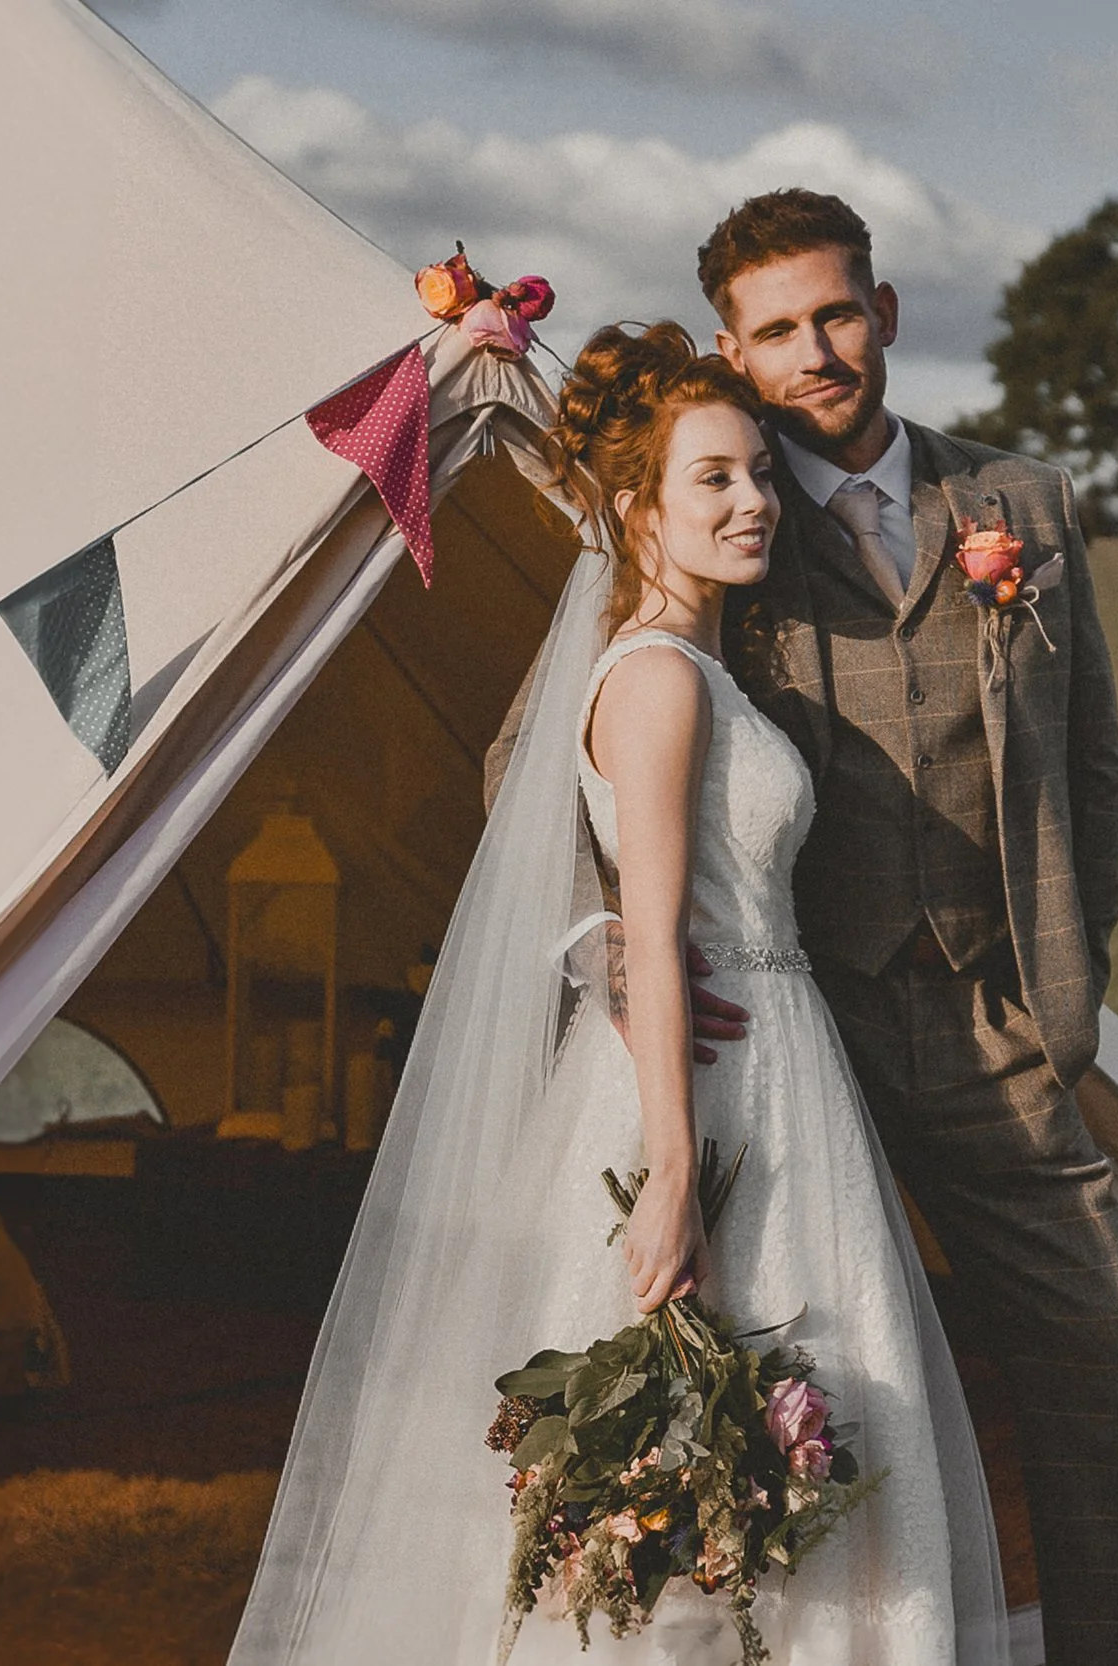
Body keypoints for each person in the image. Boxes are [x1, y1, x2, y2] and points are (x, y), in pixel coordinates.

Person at [229, 323, 1011, 1665]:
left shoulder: (705, 667)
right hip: (704, 1102)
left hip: (775, 1080)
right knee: (687, 1453)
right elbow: (650, 933)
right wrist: (670, 1173)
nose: (756, 501)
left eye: (759, 474)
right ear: (634, 506)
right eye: (713, 478)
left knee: (782, 1442)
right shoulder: (654, 678)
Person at [704, 190, 1118, 1666]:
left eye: (836, 313)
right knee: (800, 1395)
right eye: (775, 330)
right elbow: (563, 747)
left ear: (887, 311)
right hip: (802, 1029)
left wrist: (1063, 969)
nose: (815, 352)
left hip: (995, 1019)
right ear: (734, 348)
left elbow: (1091, 758)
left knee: (1116, 1364)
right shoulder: (713, 504)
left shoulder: (1019, 505)